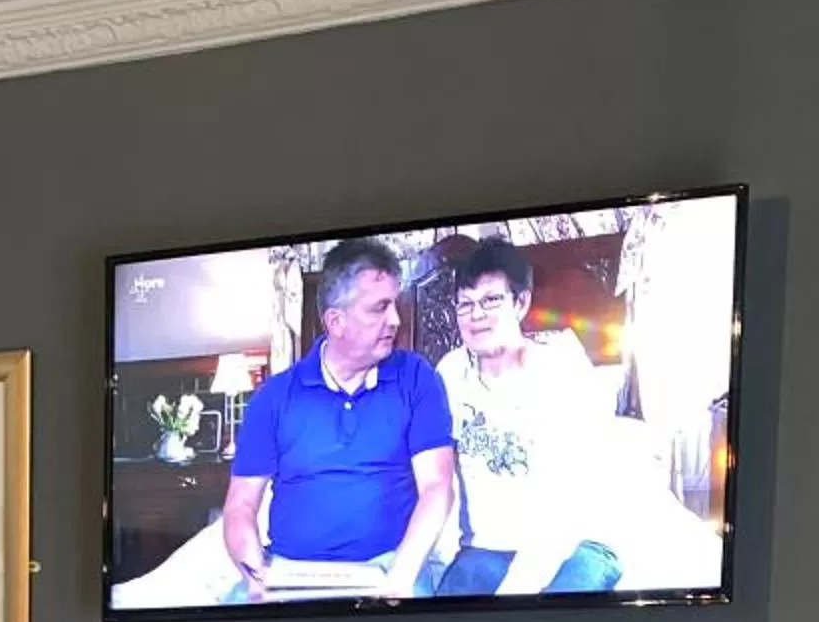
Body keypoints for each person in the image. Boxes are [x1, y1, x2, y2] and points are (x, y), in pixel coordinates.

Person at [220, 239, 458, 597]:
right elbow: (240, 505)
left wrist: (401, 578)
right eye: (379, 308)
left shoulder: (417, 378)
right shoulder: (273, 397)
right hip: (290, 569)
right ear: (336, 321)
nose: (394, 319)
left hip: (390, 565)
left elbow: (437, 488)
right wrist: (257, 580)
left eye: (395, 304)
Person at [430, 241, 626, 597]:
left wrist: (517, 589)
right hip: (486, 548)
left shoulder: (563, 371)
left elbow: (567, 502)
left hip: (576, 544)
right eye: (465, 303)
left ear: (520, 303)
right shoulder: (449, 372)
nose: (476, 315)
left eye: (491, 300)